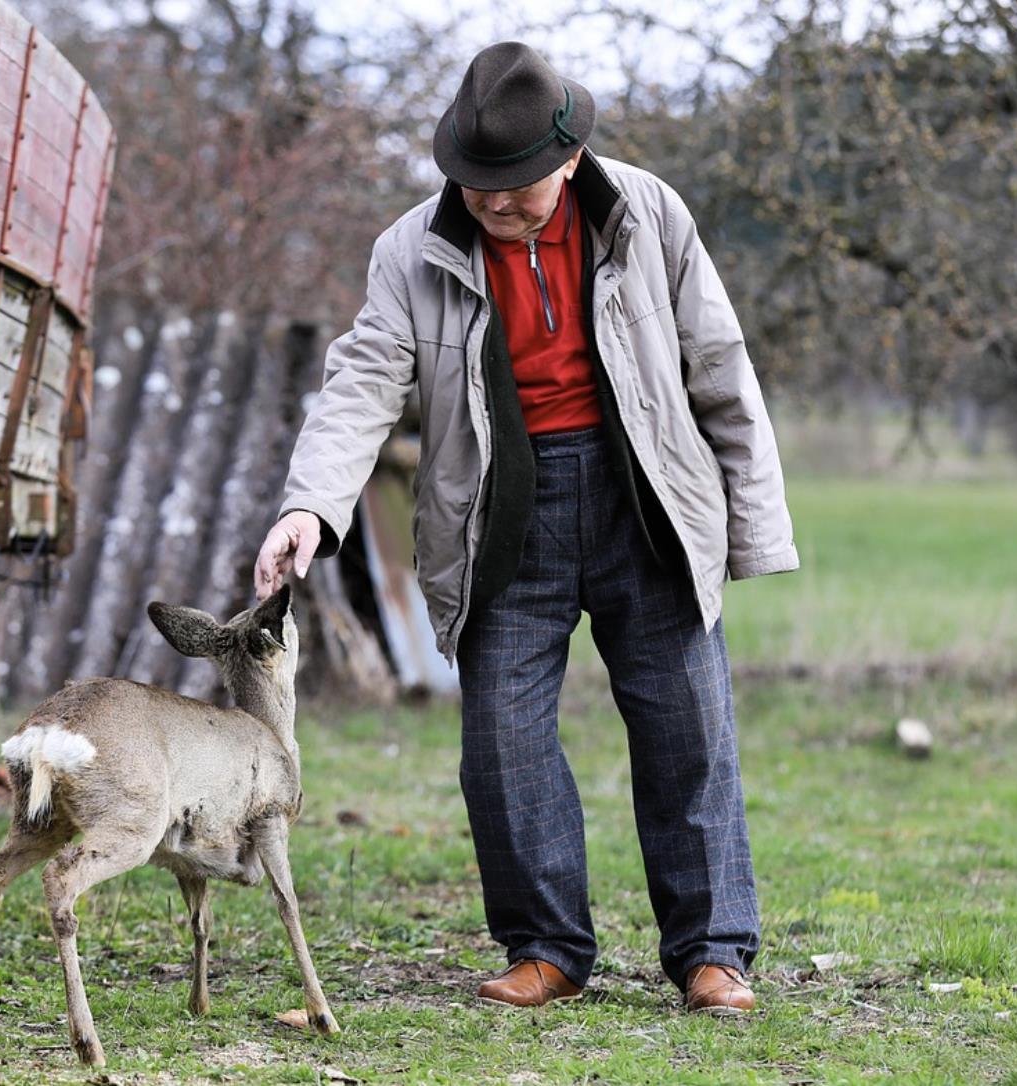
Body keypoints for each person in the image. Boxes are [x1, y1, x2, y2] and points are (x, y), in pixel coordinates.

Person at [252, 41, 797, 1015]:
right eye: (478, 185)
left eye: (517, 188)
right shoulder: (409, 250)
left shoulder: (648, 213)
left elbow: (720, 367)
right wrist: (310, 506)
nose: (495, 205)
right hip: (499, 512)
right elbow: (362, 384)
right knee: (501, 745)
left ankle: (712, 953)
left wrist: (753, 527)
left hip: (645, 500)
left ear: (570, 159)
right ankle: (545, 947)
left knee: (690, 733)